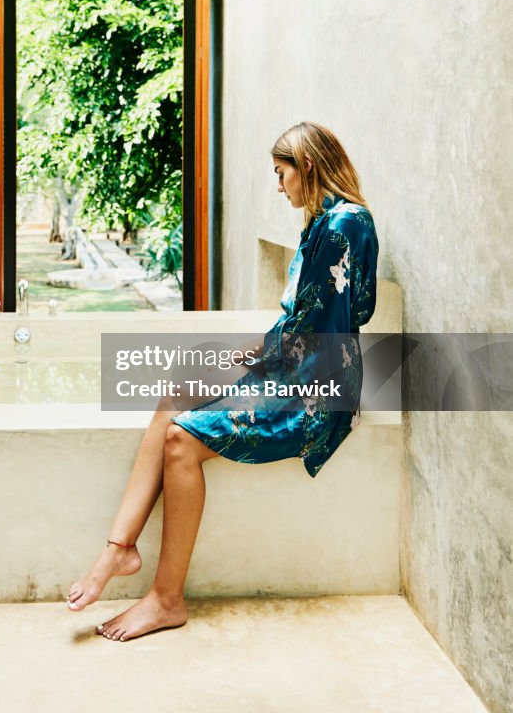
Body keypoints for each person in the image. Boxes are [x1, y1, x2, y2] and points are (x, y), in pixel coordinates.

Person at [67, 121, 379, 642]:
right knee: (176, 390)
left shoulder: (344, 225)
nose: (279, 186)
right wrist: (253, 354)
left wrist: (260, 364)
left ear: (306, 166)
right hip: (295, 367)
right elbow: (320, 315)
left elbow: (323, 327)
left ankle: (166, 599)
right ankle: (118, 549)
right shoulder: (327, 220)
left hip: (315, 392)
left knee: (180, 441)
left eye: (282, 174)